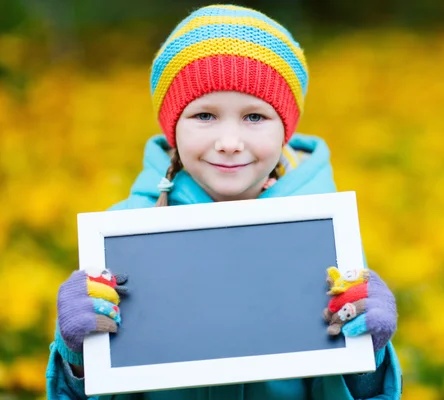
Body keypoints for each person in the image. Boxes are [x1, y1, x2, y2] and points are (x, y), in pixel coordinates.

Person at [45, 4, 402, 399]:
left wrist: (372, 353)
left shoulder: (325, 236)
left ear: (285, 129)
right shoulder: (124, 233)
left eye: (254, 117)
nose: (229, 143)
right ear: (172, 126)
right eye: (204, 115)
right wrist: (76, 358)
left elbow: (345, 380)